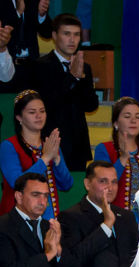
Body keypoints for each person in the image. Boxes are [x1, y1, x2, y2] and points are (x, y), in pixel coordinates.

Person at [30, 13, 99, 172]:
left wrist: (79, 78)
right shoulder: (41, 66)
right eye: (66, 34)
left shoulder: (85, 67)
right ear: (54, 36)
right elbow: (48, 103)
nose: (72, 40)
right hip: (51, 144)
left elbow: (91, 105)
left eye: (76, 35)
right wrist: (72, 77)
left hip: (78, 146)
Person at [0, 90, 73, 218]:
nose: (39, 116)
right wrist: (45, 159)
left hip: (48, 219)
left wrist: (56, 160)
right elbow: (17, 183)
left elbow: (66, 185)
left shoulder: (49, 144)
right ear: (19, 117)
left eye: (42, 111)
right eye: (32, 112)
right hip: (16, 222)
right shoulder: (8, 146)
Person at [0, 0, 51, 91]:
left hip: (31, 67)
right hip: (5, 66)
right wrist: (17, 12)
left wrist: (42, 15)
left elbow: (47, 33)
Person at [94, 97, 139, 211]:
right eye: (127, 116)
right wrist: (123, 158)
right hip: (115, 219)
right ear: (116, 123)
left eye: (138, 117)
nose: (133, 120)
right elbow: (103, 186)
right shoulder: (104, 149)